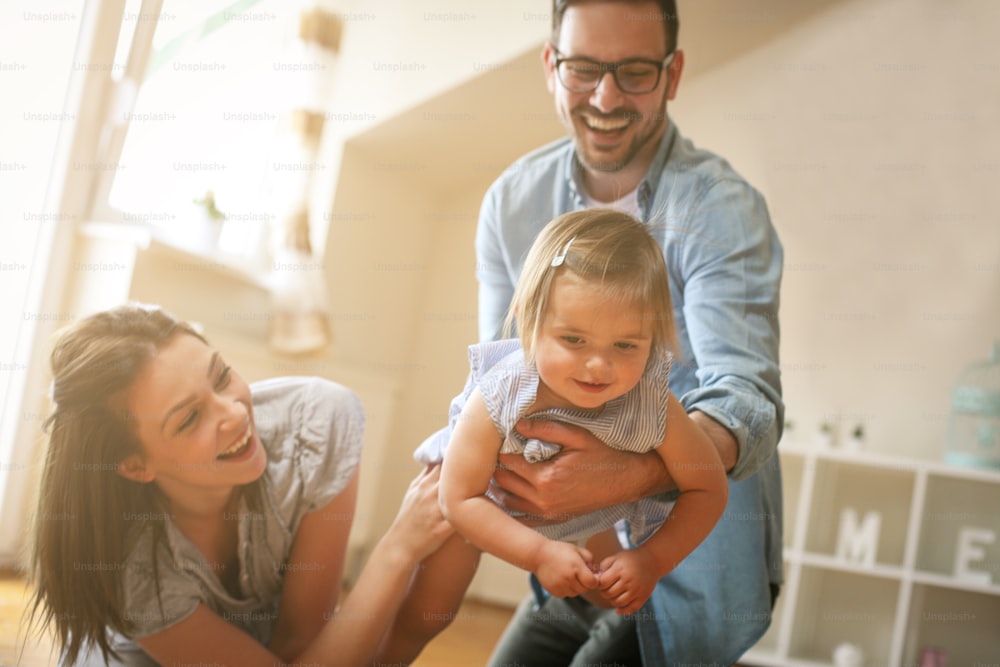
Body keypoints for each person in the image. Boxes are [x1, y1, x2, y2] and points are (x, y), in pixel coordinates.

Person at [477, 1, 785, 665]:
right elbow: (500, 385)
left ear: (673, 75)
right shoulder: (511, 204)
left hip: (698, 559)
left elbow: (748, 398)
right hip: (576, 557)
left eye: (635, 72)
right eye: (584, 68)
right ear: (551, 66)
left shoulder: (720, 209)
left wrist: (628, 476)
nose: (606, 96)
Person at [376, 209, 729, 664]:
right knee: (429, 613)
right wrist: (539, 553)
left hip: (587, 504)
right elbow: (458, 498)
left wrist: (653, 559)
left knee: (604, 596)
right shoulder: (503, 389)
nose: (599, 366)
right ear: (529, 321)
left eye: (626, 345)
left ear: (654, 337)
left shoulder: (652, 401)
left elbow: (709, 485)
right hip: (478, 496)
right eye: (574, 340)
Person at [24, 303, 452, 667]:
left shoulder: (317, 424)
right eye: (190, 419)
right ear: (136, 466)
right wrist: (398, 550)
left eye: (222, 375)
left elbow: (300, 643)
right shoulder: (128, 568)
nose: (233, 413)